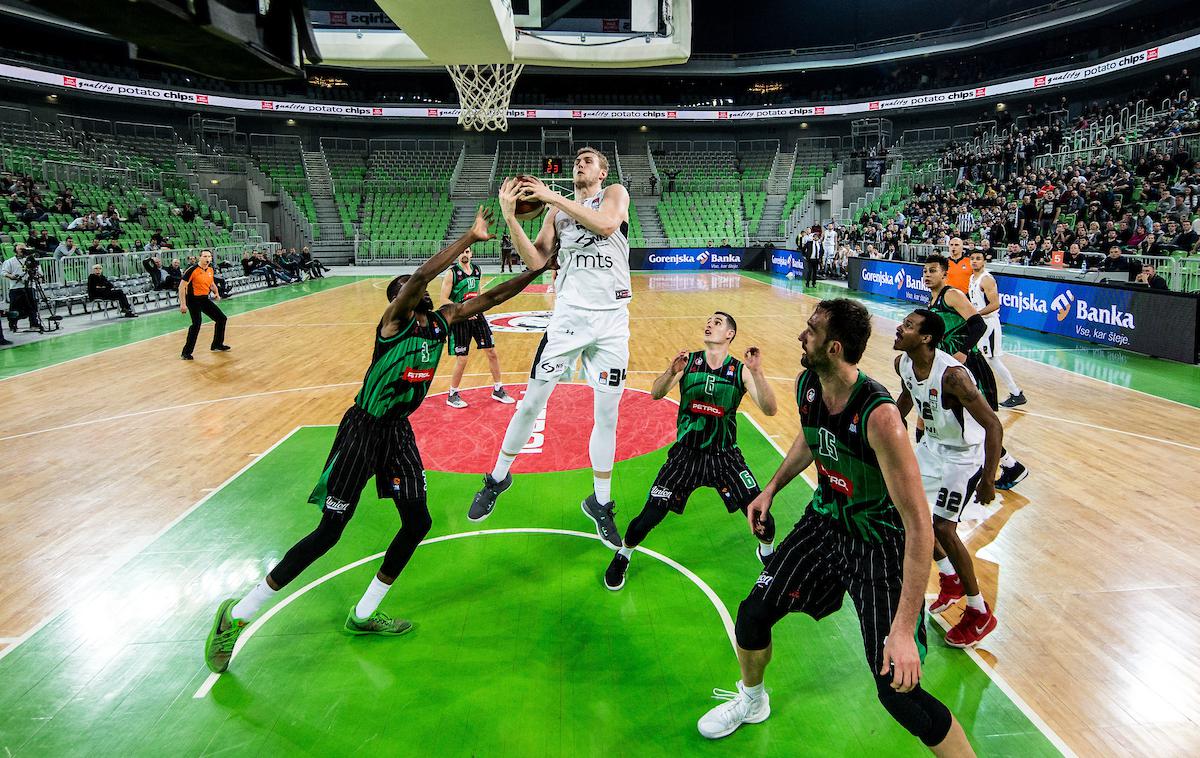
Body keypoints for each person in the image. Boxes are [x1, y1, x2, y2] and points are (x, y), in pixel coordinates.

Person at [203, 210, 550, 673]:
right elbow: (426, 272)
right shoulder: (393, 324)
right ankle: (238, 615)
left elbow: (491, 296)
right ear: (398, 299)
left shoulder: (441, 322)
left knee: (417, 523)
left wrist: (537, 269)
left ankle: (363, 613)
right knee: (329, 533)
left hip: (397, 432)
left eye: (416, 287)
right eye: (407, 287)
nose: (416, 287)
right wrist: (469, 235)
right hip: (362, 429)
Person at [696, 299, 974, 756]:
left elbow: (920, 525)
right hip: (824, 521)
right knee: (751, 616)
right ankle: (752, 700)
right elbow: (811, 437)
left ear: (835, 347)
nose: (801, 336)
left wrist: (904, 627)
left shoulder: (880, 417)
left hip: (878, 545)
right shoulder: (809, 383)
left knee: (896, 690)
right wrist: (770, 490)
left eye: (811, 330)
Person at [468, 147, 632, 548]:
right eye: (577, 159)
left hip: (612, 320)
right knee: (531, 403)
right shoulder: (555, 214)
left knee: (606, 415)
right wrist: (510, 218)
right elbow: (537, 261)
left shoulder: (614, 193)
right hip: (569, 319)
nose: (580, 163)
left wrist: (554, 197)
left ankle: (601, 501)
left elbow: (609, 226)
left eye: (588, 159)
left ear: (602, 170)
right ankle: (498, 477)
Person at [604, 312, 778, 591]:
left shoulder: (739, 371)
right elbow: (656, 393)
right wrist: (671, 371)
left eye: (717, 322)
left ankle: (767, 554)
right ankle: (623, 554)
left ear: (730, 334)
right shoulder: (689, 362)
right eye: (708, 320)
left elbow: (770, 410)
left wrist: (757, 372)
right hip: (686, 456)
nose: (709, 324)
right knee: (647, 518)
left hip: (725, 457)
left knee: (763, 519)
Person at [893, 309, 1002, 648]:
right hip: (933, 447)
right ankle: (950, 579)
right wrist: (889, 426)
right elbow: (909, 396)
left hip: (964, 456)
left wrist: (989, 478)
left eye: (908, 326)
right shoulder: (904, 364)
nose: (900, 327)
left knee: (943, 527)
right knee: (906, 511)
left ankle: (979, 611)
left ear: (926, 338)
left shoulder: (953, 376)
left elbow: (993, 426)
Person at [923, 254, 1027, 490]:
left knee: (977, 423)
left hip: (968, 367)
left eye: (932, 271)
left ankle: (1010, 467)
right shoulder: (933, 300)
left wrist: (963, 351)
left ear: (944, 274)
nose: (927, 275)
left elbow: (977, 324)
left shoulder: (951, 295)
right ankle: (1008, 466)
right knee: (950, 420)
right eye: (925, 271)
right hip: (949, 368)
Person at [441, 246, 516, 408]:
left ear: (471, 254)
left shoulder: (476, 270)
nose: (464, 254)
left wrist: (480, 308)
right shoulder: (452, 273)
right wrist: (463, 311)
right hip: (460, 318)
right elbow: (444, 300)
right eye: (461, 251)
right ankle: (452, 394)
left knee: (492, 352)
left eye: (467, 251)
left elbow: (479, 293)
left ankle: (498, 389)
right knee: (462, 358)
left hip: (477, 316)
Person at [968, 252, 1025, 407]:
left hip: (989, 324)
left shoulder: (986, 279)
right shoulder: (972, 278)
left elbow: (995, 304)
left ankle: (1016, 393)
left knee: (992, 359)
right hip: (979, 323)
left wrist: (975, 314)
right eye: (972, 259)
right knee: (974, 356)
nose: (974, 261)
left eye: (978, 259)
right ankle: (976, 390)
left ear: (984, 261)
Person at [178, 250, 230, 360]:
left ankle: (217, 344)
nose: (207, 258)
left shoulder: (210, 269)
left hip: (204, 298)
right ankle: (186, 352)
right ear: (199, 257)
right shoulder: (192, 270)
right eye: (205, 256)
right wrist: (183, 304)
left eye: (209, 256)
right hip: (192, 300)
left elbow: (211, 283)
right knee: (196, 324)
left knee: (221, 319)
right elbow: (181, 287)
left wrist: (216, 293)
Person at [2, 245, 42, 333]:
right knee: (14, 307)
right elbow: (4, 272)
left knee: (32, 306)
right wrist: (11, 276)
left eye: (24, 248)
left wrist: (37, 276)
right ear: (15, 251)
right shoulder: (10, 261)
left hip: (29, 286)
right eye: (20, 249)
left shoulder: (31, 260)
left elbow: (38, 271)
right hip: (16, 287)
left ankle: (34, 324)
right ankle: (13, 324)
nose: (22, 250)